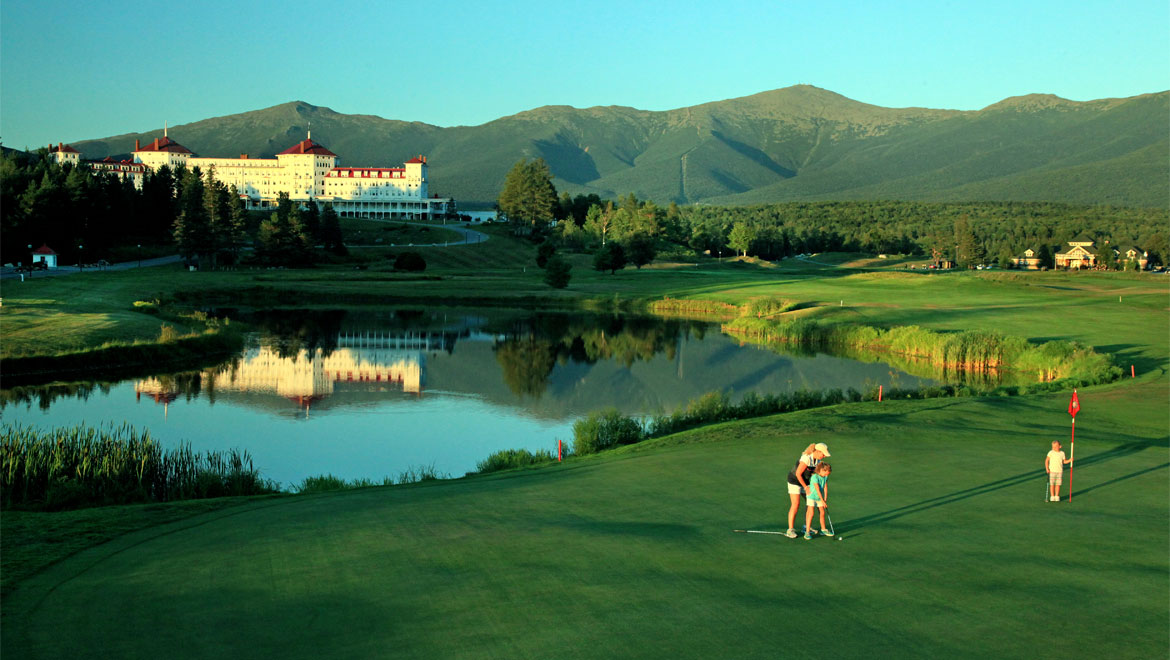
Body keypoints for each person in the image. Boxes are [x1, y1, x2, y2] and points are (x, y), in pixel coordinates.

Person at [785, 442, 830, 538]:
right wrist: (805, 487)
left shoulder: (817, 461)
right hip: (794, 481)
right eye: (823, 454)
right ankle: (790, 530)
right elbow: (798, 474)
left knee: (810, 503)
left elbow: (815, 475)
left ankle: (806, 527)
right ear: (817, 451)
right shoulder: (806, 458)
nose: (824, 456)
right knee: (795, 504)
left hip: (805, 482)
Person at [804, 463, 833, 539]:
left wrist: (825, 499)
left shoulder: (825, 477)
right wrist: (822, 500)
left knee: (822, 512)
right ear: (822, 470)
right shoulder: (814, 477)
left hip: (820, 497)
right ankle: (807, 532)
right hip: (812, 497)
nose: (827, 475)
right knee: (811, 513)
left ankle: (823, 529)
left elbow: (825, 488)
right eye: (826, 473)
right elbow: (817, 490)